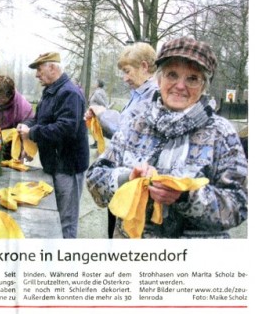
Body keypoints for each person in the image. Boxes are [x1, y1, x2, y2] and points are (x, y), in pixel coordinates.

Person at [86, 36, 248, 239]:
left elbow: (239, 206)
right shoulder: (136, 124)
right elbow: (95, 179)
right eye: (172, 75)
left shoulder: (221, 133)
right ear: (159, 79)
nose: (180, 86)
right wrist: (128, 178)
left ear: (204, 86)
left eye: (192, 78)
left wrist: (185, 197)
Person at [85, 42, 159, 238]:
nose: (125, 78)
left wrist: (103, 114)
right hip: (121, 180)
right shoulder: (138, 95)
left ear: (144, 67)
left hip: (135, 182)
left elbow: (126, 130)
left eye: (128, 71)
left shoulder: (155, 97)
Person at [17, 52, 90, 238]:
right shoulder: (50, 92)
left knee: (66, 222)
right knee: (55, 216)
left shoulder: (69, 93)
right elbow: (39, 119)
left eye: (39, 69)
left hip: (68, 167)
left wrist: (32, 133)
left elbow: (65, 129)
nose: (37, 75)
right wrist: (27, 125)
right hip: (55, 164)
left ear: (53, 67)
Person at [0, 75, 34, 160]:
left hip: (13, 147)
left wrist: (26, 147)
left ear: (10, 96)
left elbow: (31, 121)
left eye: (2, 99)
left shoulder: (22, 106)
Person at [88, 79, 108, 148]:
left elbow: (103, 103)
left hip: (97, 113)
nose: (94, 83)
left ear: (98, 84)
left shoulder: (98, 92)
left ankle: (97, 143)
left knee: (96, 127)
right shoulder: (99, 91)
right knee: (95, 127)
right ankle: (96, 142)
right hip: (95, 112)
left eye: (95, 82)